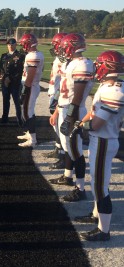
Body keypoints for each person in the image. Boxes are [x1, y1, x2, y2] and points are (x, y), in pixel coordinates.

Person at [71, 50, 124, 241]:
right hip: (100, 139)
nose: (96, 66)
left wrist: (79, 127)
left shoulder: (114, 91)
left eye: (99, 63)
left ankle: (104, 230)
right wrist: (78, 123)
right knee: (96, 181)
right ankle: (96, 215)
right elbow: (93, 113)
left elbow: (96, 124)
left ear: (107, 66)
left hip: (103, 140)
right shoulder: (108, 86)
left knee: (100, 186)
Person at [49, 33, 94, 202]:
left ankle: (80, 188)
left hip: (74, 111)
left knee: (76, 151)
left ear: (72, 46)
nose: (62, 50)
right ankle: (68, 177)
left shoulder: (82, 64)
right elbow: (65, 92)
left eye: (64, 47)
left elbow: (77, 96)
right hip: (65, 108)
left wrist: (69, 117)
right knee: (68, 148)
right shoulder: (73, 63)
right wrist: (57, 111)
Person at [44, 32, 68, 169]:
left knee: (59, 127)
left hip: (59, 96)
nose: (54, 47)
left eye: (55, 44)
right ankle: (58, 150)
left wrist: (57, 97)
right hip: (54, 93)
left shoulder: (64, 61)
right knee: (56, 126)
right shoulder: (60, 59)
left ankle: (63, 157)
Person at [17, 33, 44, 148]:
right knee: (28, 111)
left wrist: (24, 91)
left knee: (27, 113)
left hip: (30, 86)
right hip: (32, 85)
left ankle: (33, 139)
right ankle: (29, 133)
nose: (23, 46)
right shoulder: (37, 54)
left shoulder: (33, 56)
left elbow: (31, 75)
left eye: (24, 44)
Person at [0, 38, 25, 126]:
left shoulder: (20, 55)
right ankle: (4, 118)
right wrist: (4, 77)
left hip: (15, 83)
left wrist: (10, 78)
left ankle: (20, 120)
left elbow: (19, 70)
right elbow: (0, 68)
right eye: (9, 44)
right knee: (5, 100)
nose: (10, 46)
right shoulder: (4, 55)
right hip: (5, 83)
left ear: (15, 45)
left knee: (17, 101)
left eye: (12, 44)